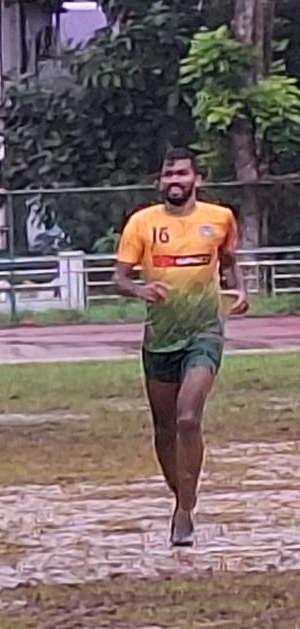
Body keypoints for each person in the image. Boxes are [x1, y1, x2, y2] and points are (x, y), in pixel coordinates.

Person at [113, 147, 249, 547]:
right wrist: (140, 288)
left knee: (188, 418)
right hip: (160, 337)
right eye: (168, 175)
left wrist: (240, 289)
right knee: (164, 427)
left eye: (182, 174)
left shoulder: (219, 218)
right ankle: (181, 498)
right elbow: (119, 278)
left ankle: (184, 510)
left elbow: (229, 259)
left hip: (204, 332)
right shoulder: (142, 223)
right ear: (160, 182)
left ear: (197, 180)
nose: (175, 181)